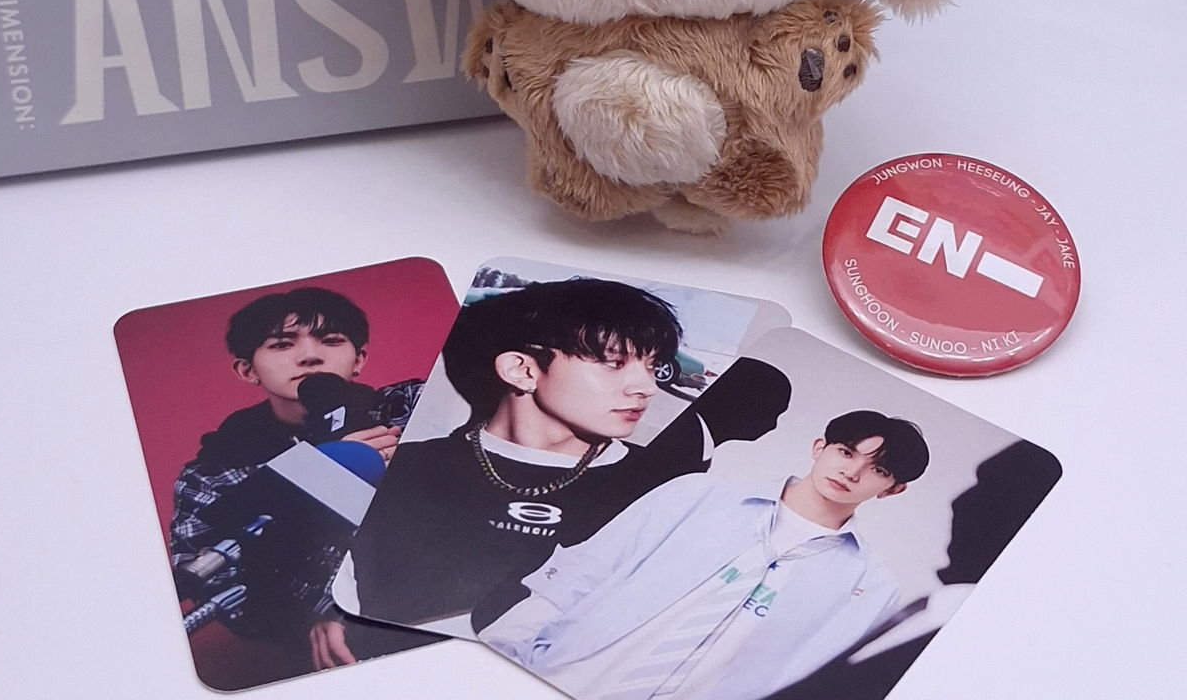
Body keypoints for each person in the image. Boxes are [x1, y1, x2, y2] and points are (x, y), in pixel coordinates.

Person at [344, 278, 793, 633]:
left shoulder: (665, 489)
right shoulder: (406, 466)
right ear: (522, 369)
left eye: (651, 365)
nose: (647, 387)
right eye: (614, 363)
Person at [478, 409, 930, 700]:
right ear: (819, 448)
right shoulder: (699, 495)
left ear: (892, 489)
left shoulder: (870, 585)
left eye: (877, 469)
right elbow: (583, 571)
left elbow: (814, 685)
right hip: (561, 675)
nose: (851, 471)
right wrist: (499, 649)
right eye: (845, 452)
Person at [169, 287, 426, 675]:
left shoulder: (412, 407)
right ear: (247, 370)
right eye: (281, 344)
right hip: (353, 655)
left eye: (331, 340)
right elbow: (219, 586)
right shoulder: (213, 473)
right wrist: (320, 612)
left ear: (359, 359)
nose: (309, 355)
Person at [766, 438, 1062, 700]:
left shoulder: (995, 657)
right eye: (846, 453)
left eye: (993, 492)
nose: (960, 502)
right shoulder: (920, 610)